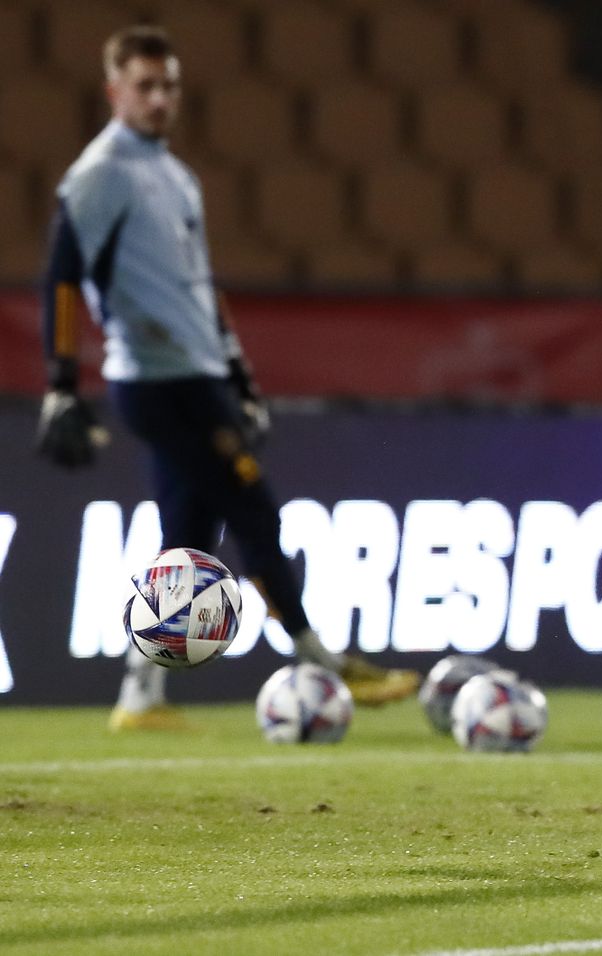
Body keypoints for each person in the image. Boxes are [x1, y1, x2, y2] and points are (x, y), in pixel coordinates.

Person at [36, 25, 418, 730]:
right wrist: (61, 380)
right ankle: (319, 659)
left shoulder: (175, 177)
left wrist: (239, 373)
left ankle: (139, 693)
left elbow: (199, 286)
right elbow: (63, 274)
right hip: (156, 381)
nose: (159, 98)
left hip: (199, 375)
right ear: (113, 90)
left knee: (190, 533)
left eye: (169, 85)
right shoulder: (101, 173)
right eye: (144, 85)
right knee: (253, 507)